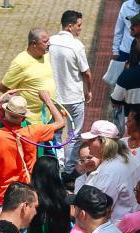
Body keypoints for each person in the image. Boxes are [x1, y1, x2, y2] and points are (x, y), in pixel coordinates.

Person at [0, 92, 66, 208]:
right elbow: (61, 122)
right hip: (26, 199)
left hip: (2, 200)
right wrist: (47, 100)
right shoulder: (33, 132)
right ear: (23, 117)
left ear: (4, 113)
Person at [48, 10, 92, 180]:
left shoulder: (50, 42)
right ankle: (68, 170)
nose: (80, 29)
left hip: (54, 97)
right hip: (74, 96)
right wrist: (89, 90)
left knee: (55, 132)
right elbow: (86, 72)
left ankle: (56, 167)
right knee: (75, 134)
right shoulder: (76, 46)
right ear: (70, 26)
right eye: (79, 25)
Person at [81, 120, 140, 224]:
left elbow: (97, 209)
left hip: (116, 228)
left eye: (91, 140)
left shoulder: (110, 171)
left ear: (103, 142)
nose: (87, 144)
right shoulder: (127, 157)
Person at [0, 28, 56, 123]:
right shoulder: (20, 63)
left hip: (48, 116)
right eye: (45, 42)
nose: (49, 44)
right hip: (31, 121)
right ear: (34, 44)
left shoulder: (46, 56)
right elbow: (3, 87)